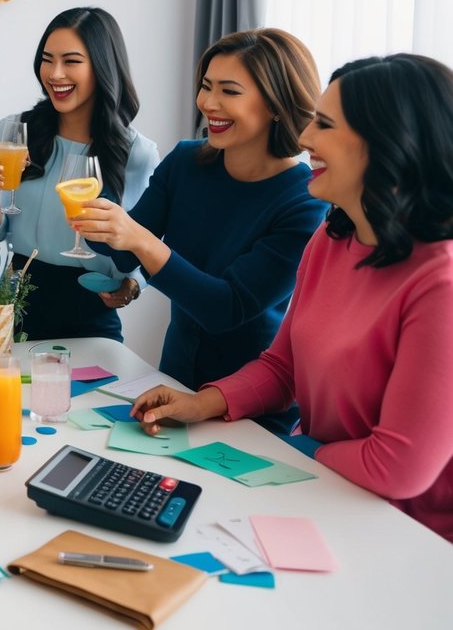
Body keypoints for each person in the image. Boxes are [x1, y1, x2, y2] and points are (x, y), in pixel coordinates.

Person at [132, 54, 453, 542]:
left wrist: (293, 452)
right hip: (328, 493)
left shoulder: (441, 284)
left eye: (324, 124)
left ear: (388, 145)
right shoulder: (331, 238)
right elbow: (283, 369)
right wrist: (201, 403)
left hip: (408, 535)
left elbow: (398, 468)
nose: (304, 138)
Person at [76, 28, 326, 389]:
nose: (207, 102)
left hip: (252, 395)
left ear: (276, 105)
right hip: (174, 378)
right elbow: (125, 255)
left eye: (229, 91)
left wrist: (140, 240)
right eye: (206, 86)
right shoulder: (185, 163)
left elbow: (225, 308)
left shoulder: (304, 202)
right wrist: (95, 218)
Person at [0, 7, 158, 341]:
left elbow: (147, 241)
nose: (55, 73)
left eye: (71, 61)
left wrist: (134, 284)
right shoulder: (17, 131)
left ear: (102, 66)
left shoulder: (137, 152)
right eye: (48, 59)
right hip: (17, 298)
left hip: (89, 308)